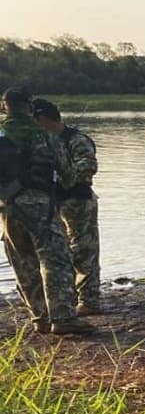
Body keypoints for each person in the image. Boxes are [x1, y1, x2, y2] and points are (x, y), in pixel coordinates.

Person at [0, 88, 94, 335]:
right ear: (29, 106)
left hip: (7, 208)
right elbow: (69, 176)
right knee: (55, 260)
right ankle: (63, 317)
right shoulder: (44, 135)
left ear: (4, 106)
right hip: (40, 207)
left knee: (23, 263)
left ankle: (40, 317)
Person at [32, 98, 102, 315]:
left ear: (43, 119)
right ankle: (67, 298)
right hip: (53, 203)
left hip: (78, 202)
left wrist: (61, 178)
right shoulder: (42, 142)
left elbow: (88, 167)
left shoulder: (76, 140)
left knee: (84, 251)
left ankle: (89, 300)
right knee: (59, 252)